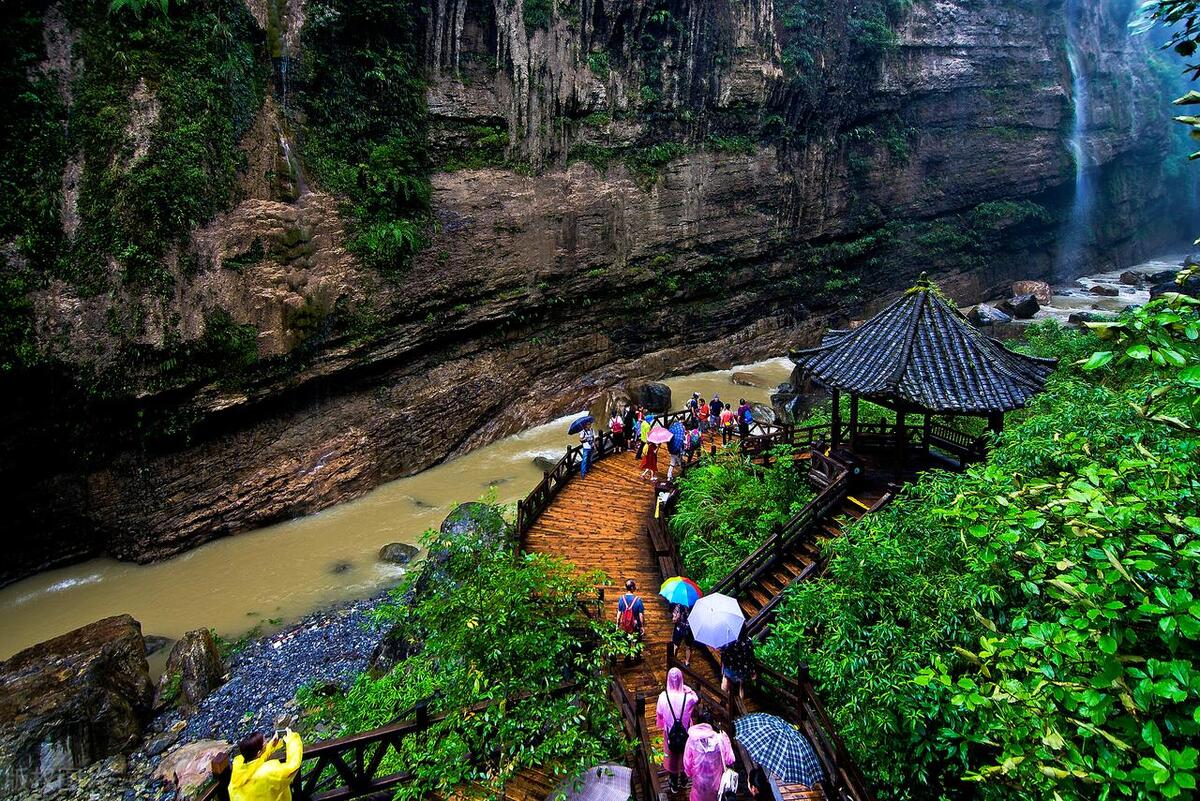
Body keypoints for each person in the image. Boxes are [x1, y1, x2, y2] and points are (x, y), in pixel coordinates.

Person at [656, 667, 699, 793]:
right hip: (685, 731)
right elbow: (696, 698)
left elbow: (659, 713)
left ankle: (674, 783)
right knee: (685, 754)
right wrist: (689, 690)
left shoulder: (663, 697)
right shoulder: (688, 698)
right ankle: (684, 780)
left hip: (670, 732)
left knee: (672, 755)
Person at [229, 729, 303, 801]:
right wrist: (292, 740)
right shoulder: (267, 772)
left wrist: (271, 746)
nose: (267, 741)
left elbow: (257, 761)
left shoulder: (238, 764)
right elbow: (293, 766)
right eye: (265, 742)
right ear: (259, 752)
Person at [682, 706, 735, 801]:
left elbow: (687, 761)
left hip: (699, 779)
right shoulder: (720, 739)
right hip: (716, 780)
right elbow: (729, 759)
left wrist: (689, 773)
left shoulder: (692, 740)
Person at [719, 625, 757, 700]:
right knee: (742, 687)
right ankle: (741, 704)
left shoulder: (730, 641)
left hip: (731, 668)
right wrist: (753, 671)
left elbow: (724, 653)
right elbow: (751, 656)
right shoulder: (748, 641)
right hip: (743, 669)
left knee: (725, 680)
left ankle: (724, 699)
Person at [616, 579, 645, 663]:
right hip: (636, 625)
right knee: (637, 640)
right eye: (634, 586)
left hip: (626, 624)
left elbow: (619, 613)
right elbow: (641, 615)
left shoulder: (622, 599)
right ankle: (637, 657)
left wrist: (617, 624)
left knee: (626, 641)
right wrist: (642, 626)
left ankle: (627, 658)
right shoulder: (638, 600)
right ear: (632, 588)